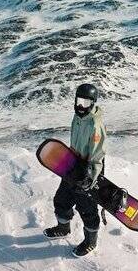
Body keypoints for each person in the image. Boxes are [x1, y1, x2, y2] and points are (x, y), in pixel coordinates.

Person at [43, 82, 106, 257]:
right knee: (61, 200)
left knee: (87, 208)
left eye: (86, 103)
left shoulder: (95, 124)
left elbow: (97, 155)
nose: (81, 106)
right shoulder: (77, 117)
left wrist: (89, 177)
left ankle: (90, 242)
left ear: (93, 104)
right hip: (73, 165)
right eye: (79, 101)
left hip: (88, 170)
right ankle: (63, 228)